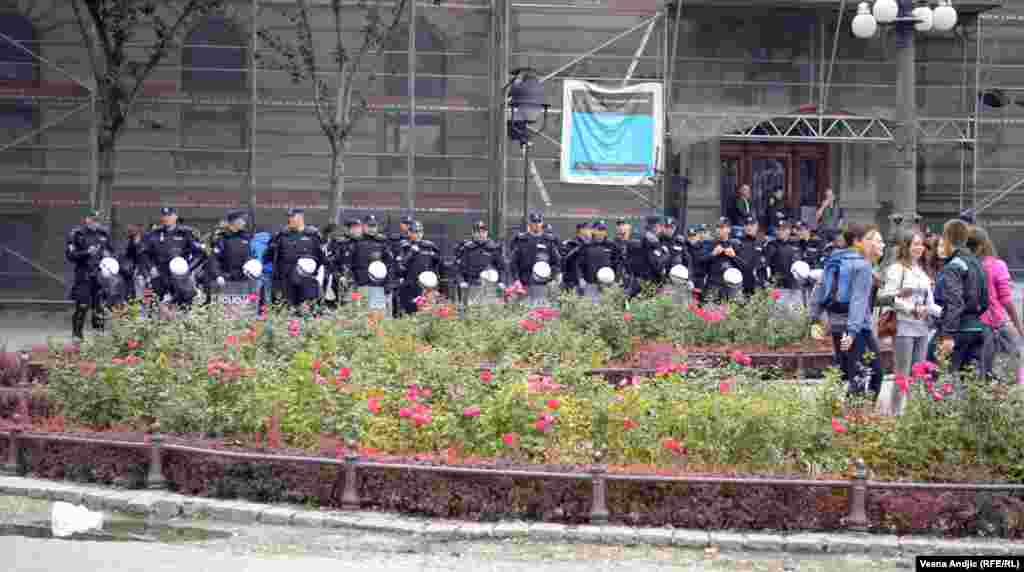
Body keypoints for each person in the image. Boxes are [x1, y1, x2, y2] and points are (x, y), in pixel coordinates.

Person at [811, 223, 884, 399]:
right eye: (874, 240)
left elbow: (819, 290)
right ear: (858, 242)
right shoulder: (862, 265)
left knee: (850, 373)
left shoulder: (836, 258)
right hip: (856, 328)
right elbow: (858, 301)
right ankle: (859, 418)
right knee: (869, 374)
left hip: (837, 324)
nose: (881, 244)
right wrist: (851, 332)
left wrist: (814, 319)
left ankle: (842, 410)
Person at [877, 231, 935, 415]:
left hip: (922, 326)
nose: (919, 248)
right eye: (915, 244)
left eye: (921, 244)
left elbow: (929, 300)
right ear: (906, 247)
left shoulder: (922, 270)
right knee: (902, 373)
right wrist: (911, 309)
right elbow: (889, 297)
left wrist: (938, 312)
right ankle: (896, 413)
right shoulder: (896, 269)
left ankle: (915, 413)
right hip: (903, 325)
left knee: (919, 372)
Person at [934, 219, 991, 387]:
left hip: (958, 331)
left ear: (947, 238)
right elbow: (985, 300)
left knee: (941, 381)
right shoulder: (976, 262)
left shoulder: (953, 266)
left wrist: (948, 334)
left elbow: (954, 302)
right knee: (971, 384)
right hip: (977, 328)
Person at [969, 227, 1024, 382]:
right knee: (1006, 374)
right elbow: (1006, 300)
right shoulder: (996, 265)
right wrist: (1019, 327)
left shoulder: (961, 265)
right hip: (992, 326)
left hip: (967, 327)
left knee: (973, 375)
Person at [138, 207, 207, 309]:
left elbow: (200, 254)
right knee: (157, 304)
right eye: (164, 216)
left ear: (175, 217)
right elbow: (144, 254)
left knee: (185, 303)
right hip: (160, 274)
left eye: (169, 216)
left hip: (180, 276)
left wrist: (188, 267)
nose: (166, 218)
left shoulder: (186, 233)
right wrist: (151, 267)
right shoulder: (154, 234)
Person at [66, 209, 116, 341]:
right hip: (84, 274)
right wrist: (86, 253)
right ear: (86, 219)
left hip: (100, 276)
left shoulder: (104, 233)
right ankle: (77, 335)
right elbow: (70, 255)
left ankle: (98, 335)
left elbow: (111, 251)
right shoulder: (77, 234)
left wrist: (108, 255)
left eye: (97, 220)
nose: (95, 223)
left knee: (99, 307)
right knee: (82, 305)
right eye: (93, 220)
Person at [262, 208, 326, 311]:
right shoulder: (281, 235)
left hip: (307, 281)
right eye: (288, 217)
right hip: (285, 281)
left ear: (301, 218)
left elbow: (323, 259)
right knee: (284, 311)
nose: (289, 220)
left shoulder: (313, 236)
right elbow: (267, 257)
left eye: (292, 217)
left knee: (307, 311)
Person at [208, 211, 260, 308]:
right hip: (227, 280)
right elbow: (214, 260)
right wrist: (218, 275)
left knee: (245, 309)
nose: (244, 223)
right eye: (242, 220)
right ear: (234, 221)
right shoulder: (222, 238)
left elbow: (250, 257)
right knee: (227, 309)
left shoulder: (245, 237)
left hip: (244, 280)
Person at [509, 212, 562, 307]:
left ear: (542, 223)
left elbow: (556, 263)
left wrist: (553, 278)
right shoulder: (521, 240)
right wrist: (516, 280)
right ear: (529, 223)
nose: (536, 224)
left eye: (539, 222)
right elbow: (513, 264)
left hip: (544, 285)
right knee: (525, 314)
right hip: (525, 284)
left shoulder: (548, 241)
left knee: (544, 314)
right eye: (534, 222)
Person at [348, 215, 395, 313]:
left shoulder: (383, 243)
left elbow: (389, 265)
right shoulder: (356, 243)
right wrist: (353, 283)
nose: (372, 229)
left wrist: (388, 284)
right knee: (359, 314)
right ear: (363, 226)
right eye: (369, 226)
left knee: (378, 315)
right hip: (360, 286)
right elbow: (349, 265)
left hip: (379, 286)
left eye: (374, 226)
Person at [454, 221, 506, 307]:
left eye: (483, 232)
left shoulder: (494, 248)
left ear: (486, 233)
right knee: (471, 312)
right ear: (473, 233)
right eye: (478, 232)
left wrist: (501, 282)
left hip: (490, 287)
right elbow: (458, 270)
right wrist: (462, 282)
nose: (481, 234)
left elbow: (502, 268)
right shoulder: (466, 249)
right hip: (470, 286)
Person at [395, 220, 442, 315]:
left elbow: (438, 267)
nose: (418, 234)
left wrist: (437, 259)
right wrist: (410, 254)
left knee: (427, 314)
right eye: (415, 231)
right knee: (410, 315)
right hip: (410, 288)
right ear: (409, 233)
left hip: (427, 288)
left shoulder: (430, 246)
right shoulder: (404, 247)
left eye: (420, 231)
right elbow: (399, 270)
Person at [573, 220, 622, 302]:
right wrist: (580, 279)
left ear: (606, 232)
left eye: (603, 230)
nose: (601, 232)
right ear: (593, 231)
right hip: (590, 284)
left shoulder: (612, 245)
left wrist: (617, 280)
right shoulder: (586, 245)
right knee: (591, 309)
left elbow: (618, 263)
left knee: (608, 308)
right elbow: (578, 264)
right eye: (598, 230)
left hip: (608, 285)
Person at [699, 217, 744, 304]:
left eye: (723, 227)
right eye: (718, 227)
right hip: (713, 285)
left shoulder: (735, 244)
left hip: (731, 288)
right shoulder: (709, 244)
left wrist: (734, 256)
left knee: (733, 315)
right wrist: (712, 254)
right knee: (709, 314)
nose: (720, 230)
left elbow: (745, 267)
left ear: (729, 229)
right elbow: (700, 262)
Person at [623, 215, 669, 298]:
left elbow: (625, 257)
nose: (660, 229)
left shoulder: (635, 236)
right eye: (659, 226)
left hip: (633, 281)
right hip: (649, 282)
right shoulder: (652, 240)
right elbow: (657, 264)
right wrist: (666, 255)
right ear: (655, 226)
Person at [765, 218, 802, 309]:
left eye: (784, 229)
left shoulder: (797, 245)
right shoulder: (770, 245)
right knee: (775, 317)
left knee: (794, 317)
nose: (780, 232)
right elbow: (765, 266)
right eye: (779, 229)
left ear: (789, 231)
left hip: (794, 287)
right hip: (777, 287)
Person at [735, 216, 766, 298]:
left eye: (752, 225)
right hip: (742, 285)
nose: (749, 227)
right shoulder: (738, 242)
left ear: (757, 226)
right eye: (746, 225)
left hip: (759, 285)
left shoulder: (764, 242)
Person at [560, 222, 591, 295]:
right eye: (588, 229)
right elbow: (564, 260)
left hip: (588, 282)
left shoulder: (590, 245)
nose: (590, 231)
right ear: (581, 230)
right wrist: (578, 249)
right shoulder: (571, 243)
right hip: (572, 282)